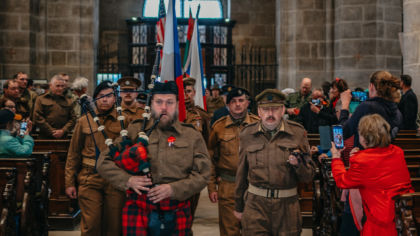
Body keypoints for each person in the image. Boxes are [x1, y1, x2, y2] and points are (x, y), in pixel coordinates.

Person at [97, 81, 211, 235]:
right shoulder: (135, 130)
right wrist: (127, 180)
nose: (164, 107)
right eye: (159, 102)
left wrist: (173, 189)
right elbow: (103, 161)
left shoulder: (191, 135)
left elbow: (203, 174)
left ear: (177, 104)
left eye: (169, 102)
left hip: (176, 209)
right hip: (139, 210)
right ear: (151, 104)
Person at [234, 89, 314, 235]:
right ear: (259, 111)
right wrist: (239, 206)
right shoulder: (247, 134)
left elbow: (308, 175)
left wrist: (298, 165)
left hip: (287, 208)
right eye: (265, 109)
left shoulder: (297, 133)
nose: (270, 114)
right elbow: (241, 174)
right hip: (255, 207)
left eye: (275, 109)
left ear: (283, 110)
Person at [331, 114, 413, 235]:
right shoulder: (397, 151)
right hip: (403, 215)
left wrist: (336, 158)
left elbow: (343, 181)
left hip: (380, 223)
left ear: (363, 138)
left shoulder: (362, 160)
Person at [65, 81, 125, 236]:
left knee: (114, 226)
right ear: (95, 98)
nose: (104, 100)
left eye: (108, 96)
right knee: (91, 225)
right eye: (100, 96)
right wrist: (69, 182)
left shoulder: (123, 121)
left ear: (115, 99)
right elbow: (73, 154)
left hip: (115, 178)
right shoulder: (84, 121)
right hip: (90, 177)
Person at [208, 87, 259, 236]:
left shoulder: (258, 126)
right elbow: (210, 158)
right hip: (228, 186)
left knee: (254, 229)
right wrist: (211, 187)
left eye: (241, 100)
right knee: (229, 231)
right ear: (228, 105)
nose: (237, 104)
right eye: (233, 101)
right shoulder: (218, 127)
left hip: (254, 186)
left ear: (248, 103)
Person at [339, 71, 402, 148]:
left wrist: (345, 105)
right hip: (388, 157)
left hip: (367, 157)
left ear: (371, 86)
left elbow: (342, 134)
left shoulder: (367, 107)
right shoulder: (397, 112)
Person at [182, 77, 211, 224]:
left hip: (194, 170)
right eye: (182, 91)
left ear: (193, 92)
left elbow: (207, 142)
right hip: (175, 170)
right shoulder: (170, 114)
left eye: (188, 91)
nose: (185, 95)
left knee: (190, 214)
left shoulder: (202, 115)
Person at [33, 74, 77, 139]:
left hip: (63, 137)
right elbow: (37, 117)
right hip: (45, 136)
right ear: (51, 85)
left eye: (62, 86)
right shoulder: (41, 99)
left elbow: (73, 119)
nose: (60, 88)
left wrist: (63, 130)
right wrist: (51, 131)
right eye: (57, 86)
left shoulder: (68, 101)